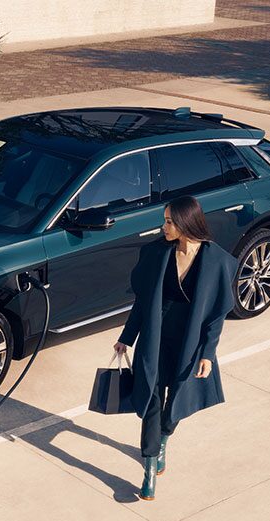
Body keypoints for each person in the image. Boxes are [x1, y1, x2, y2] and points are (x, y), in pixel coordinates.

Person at [112, 195, 238, 501]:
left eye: (169, 221)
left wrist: (208, 353)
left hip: (189, 340)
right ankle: (149, 468)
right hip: (156, 337)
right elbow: (143, 303)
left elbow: (215, 315)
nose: (164, 226)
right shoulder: (156, 253)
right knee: (152, 399)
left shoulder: (216, 260)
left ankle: (165, 436)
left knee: (177, 398)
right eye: (165, 220)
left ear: (185, 222)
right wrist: (127, 337)